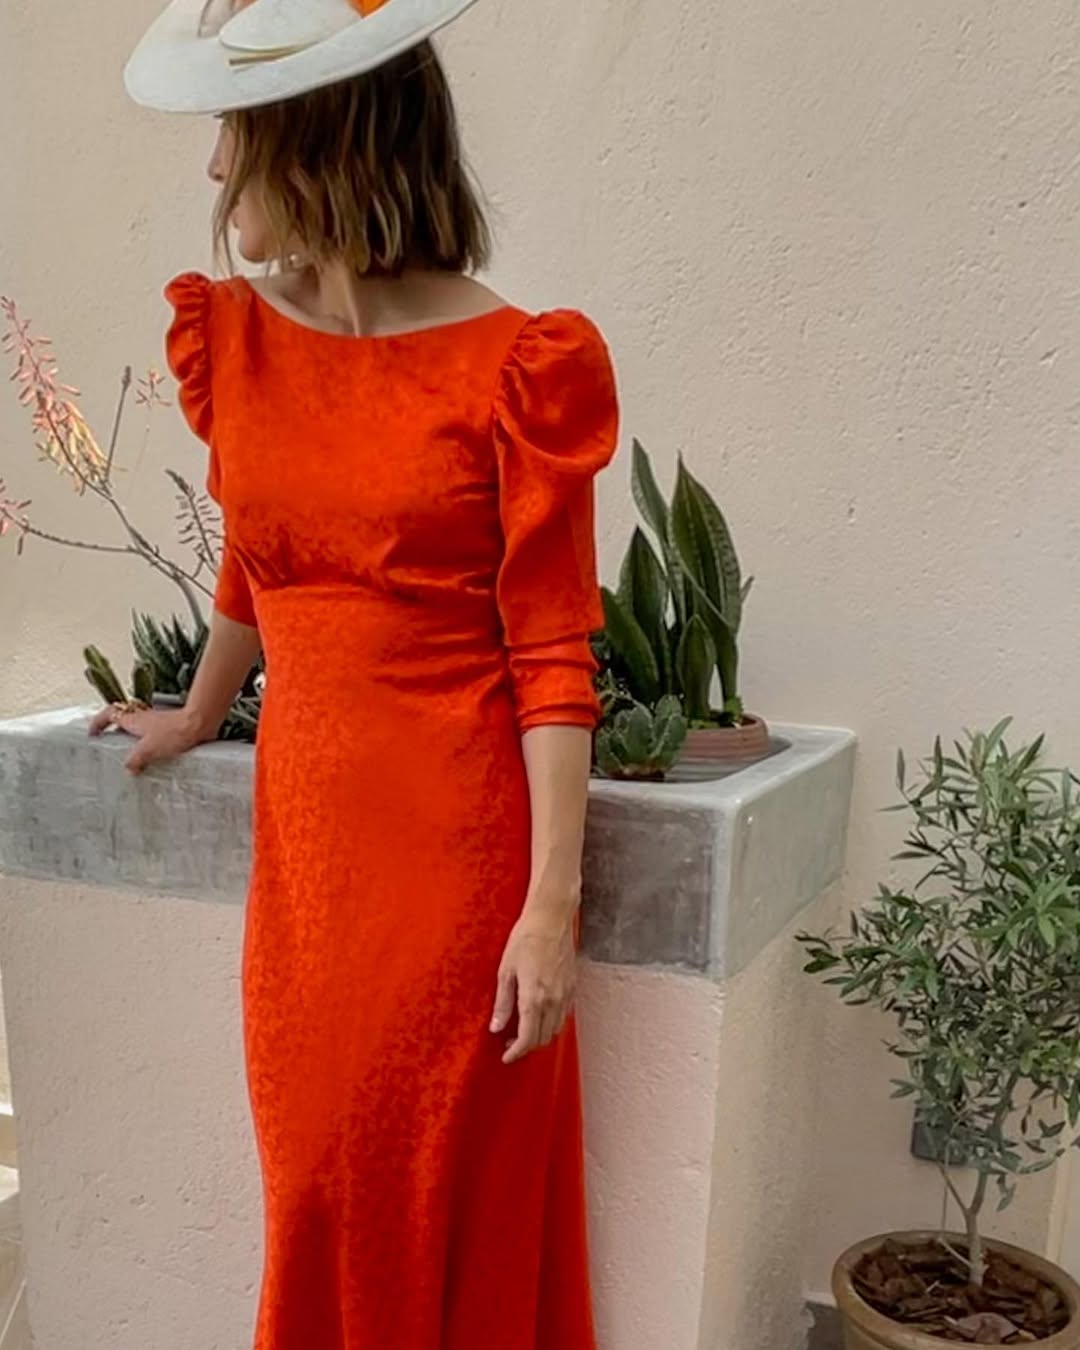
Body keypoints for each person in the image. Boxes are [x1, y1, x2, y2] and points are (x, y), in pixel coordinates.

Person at [92, 1, 619, 1346]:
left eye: (239, 129)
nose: (217, 166)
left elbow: (552, 651)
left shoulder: (519, 367)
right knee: (318, 1184)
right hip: (308, 870)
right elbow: (261, 554)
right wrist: (201, 708)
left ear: (323, 138)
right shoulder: (233, 336)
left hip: (455, 863)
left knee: (422, 1192)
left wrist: (549, 909)